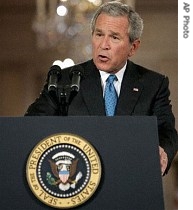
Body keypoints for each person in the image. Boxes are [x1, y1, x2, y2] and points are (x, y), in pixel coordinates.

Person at [25, 1, 177, 176]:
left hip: (131, 179)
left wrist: (163, 151)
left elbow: (166, 131)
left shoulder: (153, 84)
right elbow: (31, 125)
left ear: (133, 47)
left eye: (114, 37)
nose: (103, 45)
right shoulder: (64, 80)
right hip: (78, 182)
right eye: (99, 34)